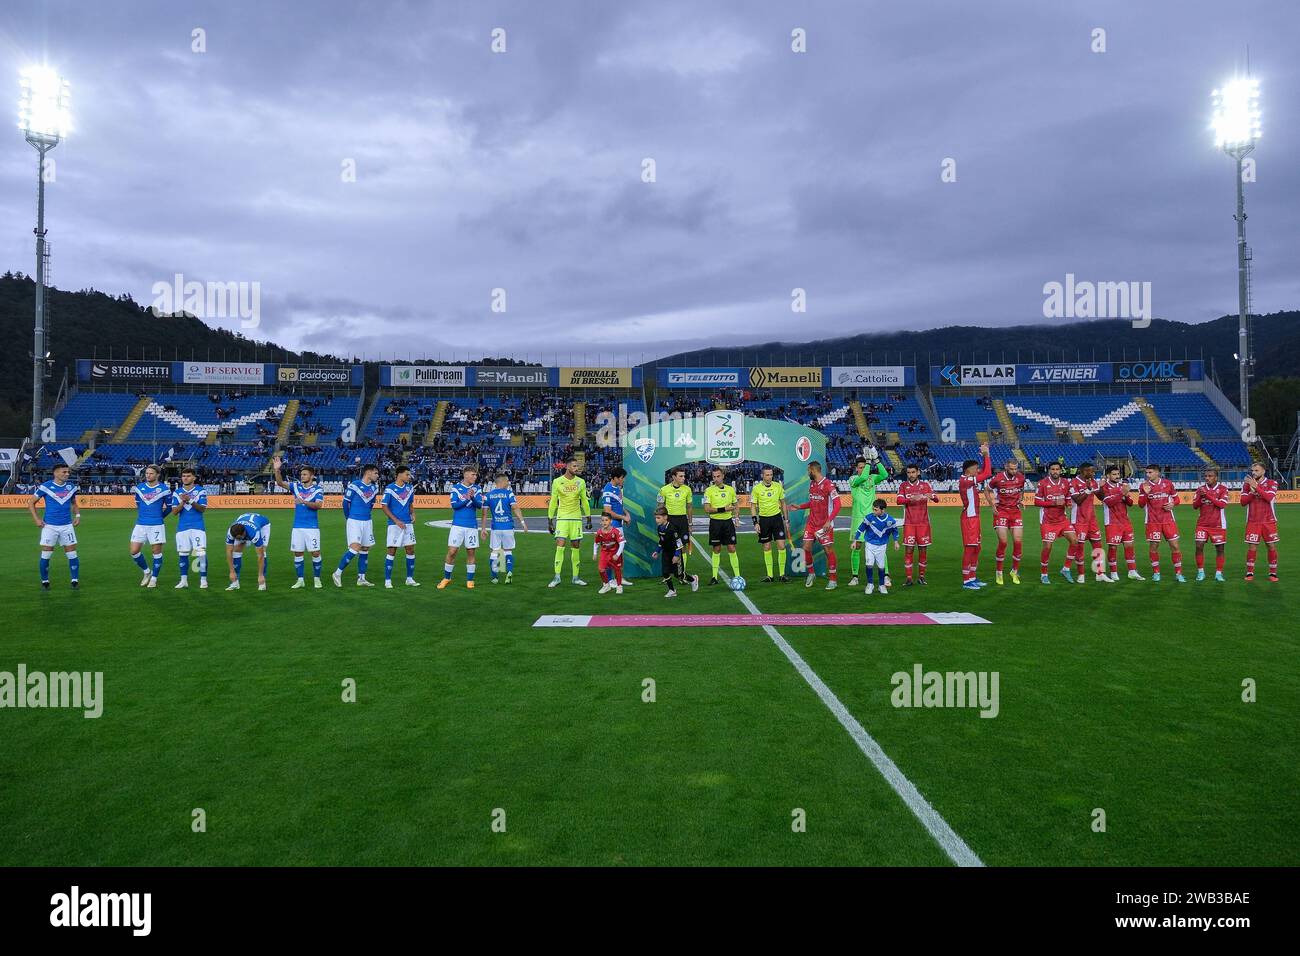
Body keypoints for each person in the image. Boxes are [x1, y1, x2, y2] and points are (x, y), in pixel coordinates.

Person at [273, 456, 324, 590]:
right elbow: (280, 483)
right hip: (297, 527)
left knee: (315, 553)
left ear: (312, 476)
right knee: (298, 553)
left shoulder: (318, 489)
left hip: (312, 527)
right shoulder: (296, 487)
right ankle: (300, 580)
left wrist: (304, 502)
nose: (302, 476)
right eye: (301, 474)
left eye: (305, 474)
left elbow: (319, 505)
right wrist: (277, 470)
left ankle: (317, 579)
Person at [789, 460, 840, 590]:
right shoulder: (812, 484)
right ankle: (811, 573)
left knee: (828, 550)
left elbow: (838, 504)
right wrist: (800, 507)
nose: (808, 473)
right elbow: (812, 503)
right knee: (806, 548)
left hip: (824, 525)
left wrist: (829, 520)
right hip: (811, 523)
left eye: (808, 470)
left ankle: (833, 580)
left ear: (813, 470)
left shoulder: (829, 484)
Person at [30, 462, 80, 590]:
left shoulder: (71, 486)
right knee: (46, 554)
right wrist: (36, 519)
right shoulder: (46, 486)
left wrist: (78, 516)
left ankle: (75, 580)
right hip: (49, 526)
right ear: (56, 473)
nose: (67, 474)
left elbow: (74, 502)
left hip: (67, 525)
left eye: (68, 472)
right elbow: (31, 503)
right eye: (64, 472)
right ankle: (45, 581)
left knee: (72, 553)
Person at [1033, 462, 1080, 584]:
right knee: (1048, 547)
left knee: (1075, 541)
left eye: (1057, 469)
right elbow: (1036, 502)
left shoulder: (1065, 483)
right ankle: (1044, 574)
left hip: (1062, 520)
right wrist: (1053, 503)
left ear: (1060, 470)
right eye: (1052, 469)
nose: (1055, 471)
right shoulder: (1042, 483)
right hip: (1047, 521)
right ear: (1049, 470)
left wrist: (1068, 503)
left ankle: (1066, 569)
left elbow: (1068, 497)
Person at [547, 456, 591, 587]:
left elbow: (584, 500)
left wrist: (588, 518)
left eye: (577, 466)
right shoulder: (557, 481)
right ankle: (557, 577)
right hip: (562, 518)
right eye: (574, 466)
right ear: (567, 467)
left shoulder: (581, 482)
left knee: (576, 547)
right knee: (560, 545)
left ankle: (575, 577)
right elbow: (553, 501)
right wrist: (550, 520)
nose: (576, 468)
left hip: (576, 518)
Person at [334, 463, 379, 588]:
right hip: (354, 520)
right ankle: (337, 573)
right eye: (375, 473)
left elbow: (371, 505)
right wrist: (349, 518)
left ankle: (361, 578)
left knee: (365, 549)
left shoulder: (375, 488)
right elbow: (345, 503)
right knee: (355, 548)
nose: (377, 475)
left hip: (367, 521)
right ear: (368, 473)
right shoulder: (354, 485)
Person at [848, 451, 889, 586]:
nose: (861, 469)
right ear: (856, 468)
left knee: (879, 545)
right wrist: (867, 462)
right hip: (858, 518)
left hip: (873, 518)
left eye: (863, 466)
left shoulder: (872, 478)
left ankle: (886, 575)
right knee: (857, 546)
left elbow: (885, 475)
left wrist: (876, 460)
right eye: (859, 467)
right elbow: (864, 476)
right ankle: (855, 577)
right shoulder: (853, 479)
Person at [1138, 464, 1185, 583]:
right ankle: (1156, 573)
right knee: (1154, 547)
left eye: (1150, 472)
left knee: (1175, 546)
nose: (1148, 475)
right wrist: (1146, 493)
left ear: (1157, 472)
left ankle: (1179, 573)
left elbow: (1177, 499)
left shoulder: (1168, 483)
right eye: (1147, 473)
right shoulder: (1144, 486)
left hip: (1168, 520)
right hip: (1152, 522)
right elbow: (1141, 504)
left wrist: (1173, 504)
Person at [440, 465, 483, 589]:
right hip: (457, 525)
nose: (475, 477)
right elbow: (455, 506)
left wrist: (473, 497)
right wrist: (467, 499)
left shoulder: (477, 488)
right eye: (473, 474)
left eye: (476, 475)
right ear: (466, 474)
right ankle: (447, 578)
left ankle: (470, 580)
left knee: (471, 552)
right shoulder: (456, 488)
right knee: (452, 551)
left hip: (471, 525)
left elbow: (479, 505)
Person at [895, 463, 938, 586]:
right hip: (909, 523)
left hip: (923, 524)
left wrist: (928, 495)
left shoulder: (925, 486)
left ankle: (921, 577)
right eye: (909, 472)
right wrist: (911, 499)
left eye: (913, 472)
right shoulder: (903, 486)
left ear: (918, 472)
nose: (911, 475)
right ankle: (909, 578)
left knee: (923, 550)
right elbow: (898, 501)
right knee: (909, 550)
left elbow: (936, 499)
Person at [130, 464, 172, 588]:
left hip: (156, 525)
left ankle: (154, 578)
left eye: (151, 473)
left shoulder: (164, 489)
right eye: (147, 473)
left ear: (157, 475)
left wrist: (159, 517)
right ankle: (147, 572)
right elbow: (138, 504)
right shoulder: (140, 488)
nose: (148, 475)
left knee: (156, 552)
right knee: (134, 551)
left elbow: (169, 507)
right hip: (140, 524)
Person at [957, 443, 993, 589]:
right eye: (975, 469)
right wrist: (986, 455)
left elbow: (985, 471)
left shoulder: (970, 478)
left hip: (975, 518)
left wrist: (985, 455)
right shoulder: (965, 480)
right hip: (969, 519)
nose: (977, 471)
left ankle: (972, 577)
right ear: (967, 470)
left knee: (977, 548)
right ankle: (966, 581)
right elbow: (987, 473)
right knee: (970, 548)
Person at [1099, 465, 1143, 581]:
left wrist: (1126, 495)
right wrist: (1122, 494)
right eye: (1114, 474)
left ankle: (1132, 571)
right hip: (1112, 522)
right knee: (1113, 547)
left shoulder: (1122, 486)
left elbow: (1130, 503)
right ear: (1108, 475)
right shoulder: (1104, 488)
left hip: (1125, 521)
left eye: (1118, 474)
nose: (1117, 476)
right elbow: (1109, 502)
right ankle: (1113, 572)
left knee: (1129, 546)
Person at [483, 472, 527, 584]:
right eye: (507, 481)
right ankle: (509, 572)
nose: (508, 483)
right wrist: (522, 522)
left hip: (496, 527)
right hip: (508, 526)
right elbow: (515, 508)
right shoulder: (509, 494)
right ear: (501, 481)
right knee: (508, 551)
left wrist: (483, 528)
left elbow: (484, 514)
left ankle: (494, 577)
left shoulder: (488, 495)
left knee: (494, 551)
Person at [988, 457, 1026, 585]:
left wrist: (1020, 500)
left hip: (1015, 512)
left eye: (1016, 469)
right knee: (1003, 542)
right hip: (1001, 512)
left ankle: (1014, 571)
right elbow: (987, 489)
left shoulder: (1021, 477)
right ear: (1006, 467)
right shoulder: (998, 478)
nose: (1014, 471)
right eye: (1011, 469)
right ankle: (999, 573)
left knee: (1018, 542)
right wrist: (991, 504)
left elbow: (1021, 490)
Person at [749, 465, 790, 582]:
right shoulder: (756, 489)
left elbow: (783, 503)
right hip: (764, 520)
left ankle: (782, 574)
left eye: (771, 474)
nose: (769, 477)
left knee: (781, 546)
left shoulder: (778, 486)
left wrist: (786, 520)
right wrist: (755, 522)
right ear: (762, 475)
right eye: (767, 475)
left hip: (777, 519)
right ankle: (770, 575)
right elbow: (752, 506)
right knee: (767, 547)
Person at [1239, 462, 1279, 582]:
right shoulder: (1246, 485)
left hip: (1268, 521)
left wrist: (1256, 487)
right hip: (1253, 521)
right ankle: (1250, 572)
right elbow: (1243, 502)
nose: (1253, 472)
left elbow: (1269, 497)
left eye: (1256, 470)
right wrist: (1252, 491)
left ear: (1263, 471)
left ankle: (1273, 573)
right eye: (1253, 470)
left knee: (1271, 546)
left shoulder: (1272, 483)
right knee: (1252, 547)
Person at [380, 465, 420, 588]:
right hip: (394, 525)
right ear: (399, 474)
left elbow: (410, 503)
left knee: (410, 549)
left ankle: (409, 578)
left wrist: (413, 513)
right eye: (407, 474)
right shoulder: (390, 489)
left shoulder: (409, 488)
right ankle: (387, 580)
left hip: (407, 524)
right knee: (392, 551)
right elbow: (384, 506)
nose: (409, 477)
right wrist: (396, 521)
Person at [171, 467, 208, 589]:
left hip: (197, 526)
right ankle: (183, 580)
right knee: (183, 554)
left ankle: (203, 580)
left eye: (188, 476)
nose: (185, 478)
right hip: (182, 528)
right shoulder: (177, 492)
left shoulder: (200, 491)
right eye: (183, 476)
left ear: (194, 478)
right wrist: (182, 502)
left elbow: (202, 509)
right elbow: (174, 512)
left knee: (201, 553)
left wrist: (190, 500)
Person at [702, 467, 741, 585]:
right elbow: (707, 509)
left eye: (718, 476)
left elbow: (736, 504)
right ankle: (714, 577)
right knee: (716, 549)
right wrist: (724, 509)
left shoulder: (730, 489)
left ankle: (738, 576)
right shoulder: (709, 490)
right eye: (714, 477)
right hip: (715, 523)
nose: (716, 479)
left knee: (732, 548)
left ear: (723, 476)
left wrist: (737, 517)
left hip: (728, 523)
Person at [854, 498, 901, 595]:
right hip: (870, 545)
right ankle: (870, 584)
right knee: (869, 565)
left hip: (882, 546)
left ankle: (881, 585)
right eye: (873, 509)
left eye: (876, 509)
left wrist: (896, 542)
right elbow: (861, 528)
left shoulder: (890, 520)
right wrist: (855, 540)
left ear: (883, 510)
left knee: (881, 567)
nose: (873, 511)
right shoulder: (869, 518)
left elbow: (895, 531)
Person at [1067, 462, 1104, 583]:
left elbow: (1101, 497)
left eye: (1093, 471)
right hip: (1078, 520)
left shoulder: (1093, 481)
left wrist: (1100, 487)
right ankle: (1081, 575)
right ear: (1082, 471)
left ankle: (1099, 573)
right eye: (1090, 471)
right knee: (1080, 547)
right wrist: (1088, 490)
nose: (1093, 473)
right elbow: (1077, 501)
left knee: (1098, 546)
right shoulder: (1073, 483)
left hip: (1091, 519)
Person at [1191, 466, 1230, 582]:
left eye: (1210, 476)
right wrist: (1201, 497)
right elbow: (1195, 506)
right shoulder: (1200, 489)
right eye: (1206, 476)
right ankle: (1201, 572)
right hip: (1202, 524)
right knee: (1199, 546)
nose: (1207, 478)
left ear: (1216, 477)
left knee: (1220, 549)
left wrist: (1207, 496)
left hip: (1218, 524)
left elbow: (1222, 505)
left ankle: (1218, 573)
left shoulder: (1223, 489)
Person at [650, 507, 698, 598]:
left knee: (679, 575)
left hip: (675, 552)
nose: (656, 520)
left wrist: (676, 556)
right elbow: (661, 541)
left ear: (665, 517)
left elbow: (679, 543)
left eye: (658, 518)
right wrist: (657, 551)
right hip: (666, 553)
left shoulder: (672, 528)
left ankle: (693, 579)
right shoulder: (659, 528)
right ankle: (672, 590)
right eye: (656, 518)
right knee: (665, 573)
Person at [657, 467, 694, 572]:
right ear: (674, 477)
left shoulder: (687, 489)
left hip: (682, 520)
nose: (683, 478)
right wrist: (661, 522)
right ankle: (668, 572)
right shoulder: (664, 490)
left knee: (682, 546)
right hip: (670, 520)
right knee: (669, 547)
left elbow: (690, 507)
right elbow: (660, 507)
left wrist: (690, 524)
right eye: (681, 476)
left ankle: (682, 572)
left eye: (684, 476)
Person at [225, 513, 271, 591]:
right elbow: (229, 551)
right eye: (237, 538)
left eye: (240, 538)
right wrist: (231, 571)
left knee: (263, 551)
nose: (239, 540)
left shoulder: (254, 532)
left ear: (244, 533)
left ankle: (262, 582)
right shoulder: (230, 532)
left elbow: (260, 555)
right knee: (236, 550)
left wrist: (260, 575)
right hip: (244, 518)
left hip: (263, 525)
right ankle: (235, 582)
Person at [592, 513, 626, 594]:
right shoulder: (599, 532)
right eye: (602, 520)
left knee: (617, 570)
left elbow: (622, 543)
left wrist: (617, 554)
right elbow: (596, 543)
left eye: (606, 520)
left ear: (610, 521)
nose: (604, 522)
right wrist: (595, 553)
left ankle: (619, 586)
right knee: (601, 569)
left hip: (614, 553)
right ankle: (606, 585)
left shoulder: (616, 531)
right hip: (604, 553)